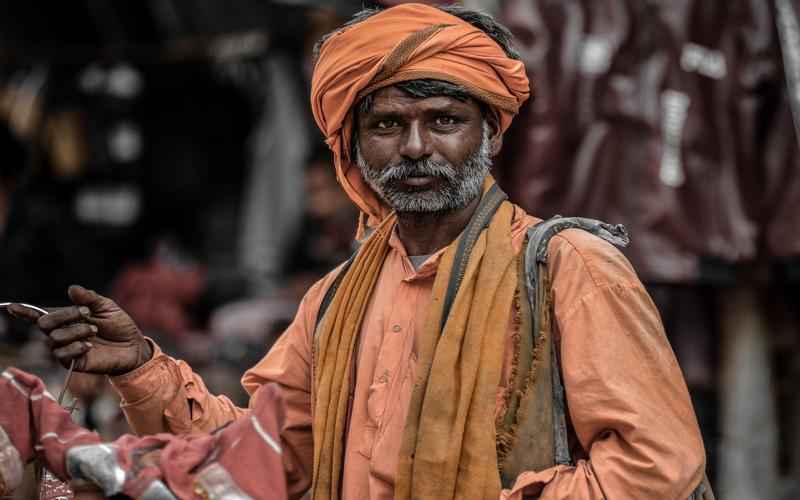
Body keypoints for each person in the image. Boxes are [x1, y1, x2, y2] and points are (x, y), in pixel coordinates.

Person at [10, 4, 708, 499]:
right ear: (351, 144)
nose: (414, 148)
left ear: (489, 134)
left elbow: (654, 466)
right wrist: (140, 367)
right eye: (385, 125)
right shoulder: (340, 296)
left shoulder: (569, 267)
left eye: (444, 122)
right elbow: (267, 458)